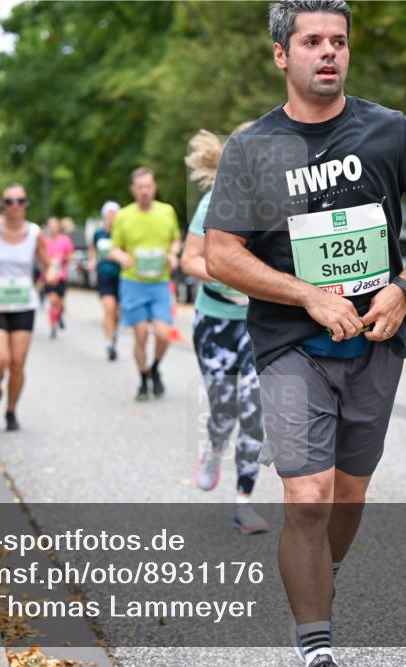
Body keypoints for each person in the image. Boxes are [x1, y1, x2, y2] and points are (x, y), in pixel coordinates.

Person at [203, 2, 406, 665]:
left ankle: (322, 574)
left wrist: (404, 287)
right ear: (281, 55)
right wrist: (308, 296)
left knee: (348, 493)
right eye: (313, 41)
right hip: (291, 342)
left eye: (339, 41)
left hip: (376, 339)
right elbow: (221, 253)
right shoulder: (251, 148)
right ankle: (315, 643)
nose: (329, 52)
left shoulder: (390, 132)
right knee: (308, 494)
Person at [181, 125, 271, 534]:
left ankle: (245, 503)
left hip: (258, 324)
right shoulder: (214, 202)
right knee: (224, 409)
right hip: (215, 322)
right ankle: (215, 446)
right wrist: (228, 273)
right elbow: (189, 260)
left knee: (254, 413)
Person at [0, 184, 52, 432]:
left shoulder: (35, 233)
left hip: (23, 304)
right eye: (9, 201)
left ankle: (11, 411)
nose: (14, 205)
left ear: (26, 204)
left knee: (17, 364)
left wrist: (53, 271)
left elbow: (47, 262)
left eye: (20, 200)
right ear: (2, 205)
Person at [109, 168, 181, 401]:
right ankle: (142, 380)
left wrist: (173, 254)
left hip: (159, 283)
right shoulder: (124, 216)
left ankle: (155, 368)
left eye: (148, 186)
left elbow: (176, 240)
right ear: (133, 190)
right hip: (133, 283)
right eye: (140, 187)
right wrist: (119, 256)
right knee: (140, 335)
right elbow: (114, 247)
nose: (145, 191)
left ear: (154, 187)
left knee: (163, 334)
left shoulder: (167, 211)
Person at [89, 201, 122, 360]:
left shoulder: (122, 233)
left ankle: (113, 334)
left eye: (114, 213)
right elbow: (93, 250)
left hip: (122, 276)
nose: (112, 217)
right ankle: (108, 343)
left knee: (117, 313)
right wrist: (92, 261)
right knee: (109, 308)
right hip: (104, 275)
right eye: (109, 214)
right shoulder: (98, 233)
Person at [41, 216, 74, 339]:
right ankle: (53, 326)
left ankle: (59, 315)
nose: (52, 228)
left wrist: (62, 257)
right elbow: (40, 257)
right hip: (48, 277)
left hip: (61, 276)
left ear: (58, 227)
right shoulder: (44, 241)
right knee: (52, 300)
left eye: (55, 226)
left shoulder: (65, 240)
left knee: (60, 303)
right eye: (50, 226)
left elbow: (72, 256)